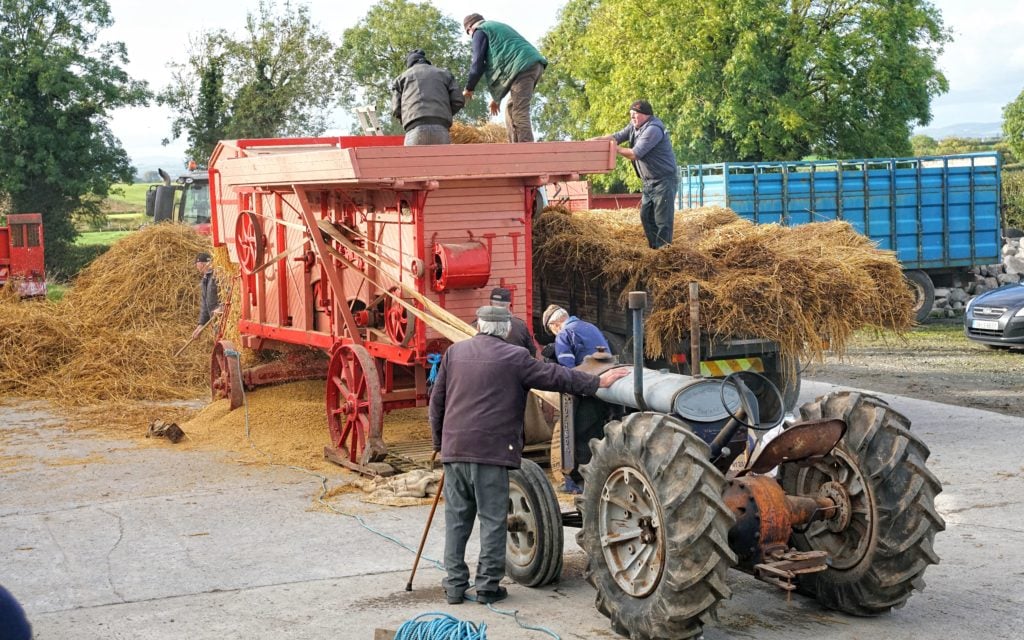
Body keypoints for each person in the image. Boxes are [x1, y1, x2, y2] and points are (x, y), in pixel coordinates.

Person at [430, 304, 627, 606]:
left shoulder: (454, 353)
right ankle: (486, 587)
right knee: (493, 520)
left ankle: (454, 587)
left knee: (457, 521)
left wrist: (440, 443)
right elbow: (557, 377)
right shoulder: (515, 358)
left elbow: (437, 402)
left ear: (479, 326)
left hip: (455, 450)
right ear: (507, 330)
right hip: (491, 451)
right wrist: (598, 381)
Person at [541, 304, 612, 494]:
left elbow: (568, 373)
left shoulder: (564, 335)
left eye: (552, 331)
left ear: (556, 325)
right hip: (603, 388)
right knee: (596, 433)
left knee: (575, 437)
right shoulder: (591, 327)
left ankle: (576, 484)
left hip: (583, 392)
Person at [592, 100, 679, 248]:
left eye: (635, 115)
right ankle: (655, 250)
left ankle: (665, 253)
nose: (632, 118)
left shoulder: (653, 129)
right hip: (649, 182)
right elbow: (616, 137)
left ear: (646, 115)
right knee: (646, 217)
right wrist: (595, 141)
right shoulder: (634, 126)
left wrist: (615, 149)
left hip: (663, 181)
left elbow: (635, 153)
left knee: (662, 221)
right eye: (631, 114)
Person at [461, 13, 547, 143]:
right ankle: (515, 149)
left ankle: (527, 152)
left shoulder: (480, 31)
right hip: (531, 65)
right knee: (511, 109)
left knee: (519, 111)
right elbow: (505, 63)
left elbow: (477, 64)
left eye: (469, 34)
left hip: (523, 67)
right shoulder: (495, 27)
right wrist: (496, 98)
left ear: (470, 29)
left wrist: (469, 88)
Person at [391, 49, 465, 146]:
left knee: (413, 161)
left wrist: (407, 119)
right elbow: (458, 100)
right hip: (441, 129)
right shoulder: (445, 74)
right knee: (441, 161)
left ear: (409, 64)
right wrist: (444, 112)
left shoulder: (400, 79)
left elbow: (396, 109)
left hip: (414, 130)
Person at [485, 286, 536, 356]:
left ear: (490, 303)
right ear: (509, 304)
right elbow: (532, 353)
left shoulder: (477, 325)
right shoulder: (520, 326)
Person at [191, 252, 220, 340]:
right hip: (216, 321)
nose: (196, 267)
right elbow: (205, 304)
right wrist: (201, 325)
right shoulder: (205, 280)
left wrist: (221, 308)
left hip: (225, 318)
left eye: (196, 264)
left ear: (201, 264)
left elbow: (229, 292)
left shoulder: (218, 274)